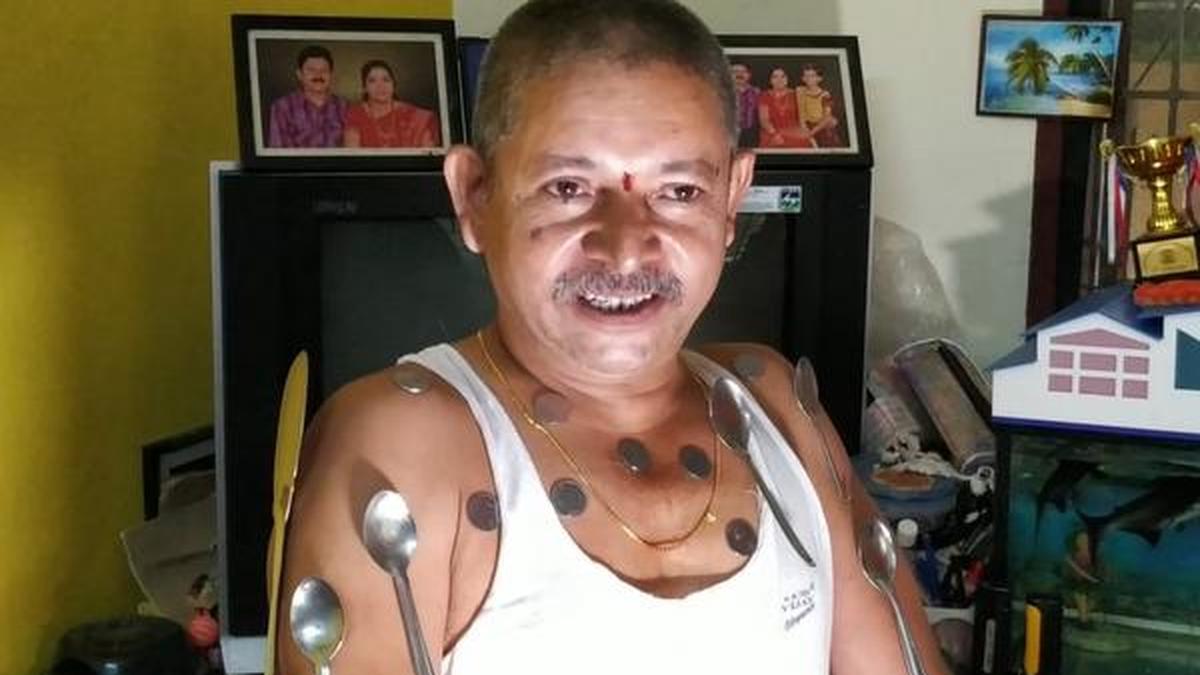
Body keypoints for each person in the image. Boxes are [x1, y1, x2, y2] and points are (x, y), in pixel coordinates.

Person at [278, 1, 948, 674]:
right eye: (568, 187)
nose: (626, 249)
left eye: (679, 191)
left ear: (732, 199)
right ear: (475, 196)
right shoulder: (406, 444)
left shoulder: (773, 408)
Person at [343, 59, 441, 148]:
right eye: (372, 81)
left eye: (386, 80)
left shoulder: (417, 118)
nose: (380, 86)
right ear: (364, 88)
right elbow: (353, 155)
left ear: (394, 85)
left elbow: (427, 154)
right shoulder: (356, 114)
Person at [267, 45, 349, 148]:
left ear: (331, 75)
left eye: (324, 70)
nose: (318, 75)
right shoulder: (282, 108)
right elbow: (277, 151)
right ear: (299, 75)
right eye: (311, 70)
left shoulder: (345, 107)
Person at [758, 67, 814, 148]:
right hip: (771, 132)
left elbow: (805, 116)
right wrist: (774, 134)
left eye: (783, 76)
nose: (779, 80)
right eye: (775, 77)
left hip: (793, 133)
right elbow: (764, 120)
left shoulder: (797, 94)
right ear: (770, 80)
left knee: (805, 140)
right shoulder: (765, 96)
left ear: (787, 79)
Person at [796, 63, 844, 148]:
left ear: (819, 78)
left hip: (821, 126)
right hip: (808, 125)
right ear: (803, 78)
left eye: (812, 76)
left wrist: (812, 133)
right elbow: (801, 115)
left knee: (828, 136)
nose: (809, 79)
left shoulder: (825, 95)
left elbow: (826, 118)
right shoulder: (800, 91)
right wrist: (806, 132)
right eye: (806, 76)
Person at [730, 62, 760, 149]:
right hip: (729, 134)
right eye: (735, 71)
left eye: (743, 71)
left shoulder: (757, 93)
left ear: (749, 75)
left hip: (751, 135)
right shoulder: (723, 93)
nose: (739, 74)